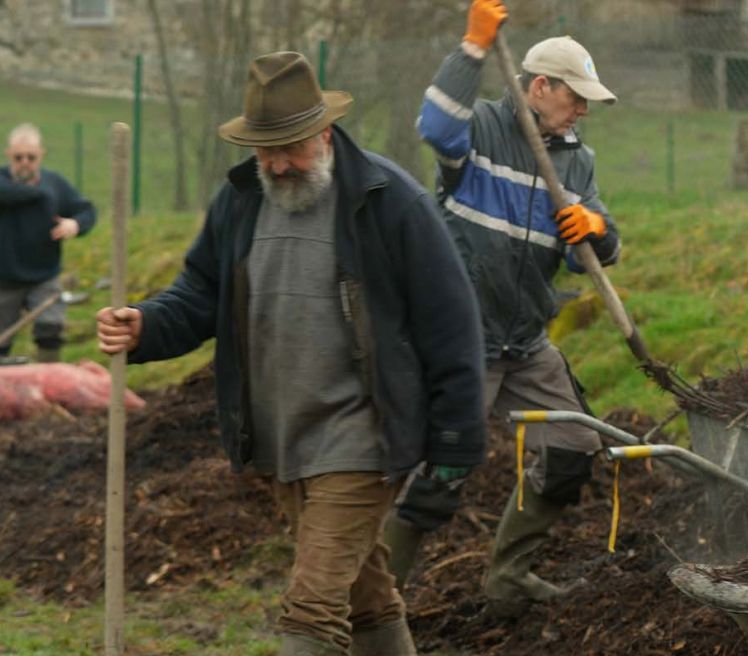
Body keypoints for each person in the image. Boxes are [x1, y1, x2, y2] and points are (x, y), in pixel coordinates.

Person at [95, 51, 486, 656]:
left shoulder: (389, 203)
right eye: (264, 150)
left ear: (323, 133)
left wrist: (456, 438)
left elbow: (451, 322)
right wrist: (145, 325)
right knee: (366, 596)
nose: (276, 164)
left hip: (363, 437)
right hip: (282, 439)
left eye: (290, 148)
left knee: (311, 609)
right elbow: (200, 293)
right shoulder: (241, 201)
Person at [385, 0, 623, 618]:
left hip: (526, 338)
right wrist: (471, 49)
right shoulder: (482, 131)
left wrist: (595, 228)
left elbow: (589, 257)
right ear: (539, 87)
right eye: (575, 98)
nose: (582, 110)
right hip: (464, 338)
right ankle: (376, 598)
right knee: (441, 474)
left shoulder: (577, 160)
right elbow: (434, 128)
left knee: (574, 447)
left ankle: (508, 577)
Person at [1, 123, 96, 364]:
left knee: (50, 330)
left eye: (31, 157)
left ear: (41, 155)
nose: (25, 162)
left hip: (44, 276)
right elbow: (10, 193)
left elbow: (87, 210)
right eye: (19, 157)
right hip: (4, 280)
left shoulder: (55, 184)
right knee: (2, 341)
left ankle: (48, 380)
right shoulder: (7, 183)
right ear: (8, 154)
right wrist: (40, 194)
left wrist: (74, 224)